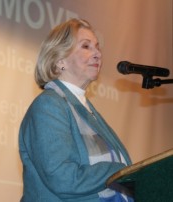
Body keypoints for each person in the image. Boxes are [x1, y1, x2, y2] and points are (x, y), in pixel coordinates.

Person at [19, 18, 133, 202]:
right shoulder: (48, 105)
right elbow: (62, 177)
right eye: (86, 46)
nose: (97, 54)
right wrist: (119, 171)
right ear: (60, 60)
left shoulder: (85, 108)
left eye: (98, 47)